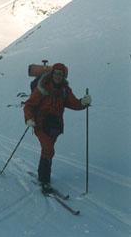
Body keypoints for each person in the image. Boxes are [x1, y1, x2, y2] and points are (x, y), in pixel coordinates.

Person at [24, 63, 91, 193]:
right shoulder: (42, 87)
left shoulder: (65, 90)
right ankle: (44, 180)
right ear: (52, 73)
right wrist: (29, 119)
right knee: (48, 149)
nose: (58, 76)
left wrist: (83, 102)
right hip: (40, 124)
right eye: (56, 73)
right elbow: (29, 105)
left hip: (55, 126)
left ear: (63, 76)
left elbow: (74, 104)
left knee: (48, 150)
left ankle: (42, 174)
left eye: (60, 74)